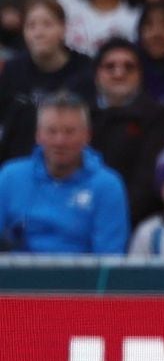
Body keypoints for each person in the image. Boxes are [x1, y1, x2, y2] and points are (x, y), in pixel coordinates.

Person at [0, 91, 129, 254]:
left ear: (87, 135)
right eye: (52, 131)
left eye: (69, 132)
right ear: (38, 135)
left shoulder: (107, 186)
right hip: (16, 276)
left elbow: (109, 262)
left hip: (82, 278)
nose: (60, 141)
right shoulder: (10, 177)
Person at [91, 38, 164, 224]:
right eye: (110, 66)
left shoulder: (160, 118)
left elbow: (148, 182)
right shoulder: (81, 116)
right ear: (96, 74)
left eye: (128, 67)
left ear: (140, 74)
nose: (119, 73)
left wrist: (115, 218)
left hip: (139, 222)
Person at [0, 0, 95, 161]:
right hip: (18, 161)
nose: (39, 32)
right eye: (31, 26)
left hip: (72, 159)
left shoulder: (86, 69)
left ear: (63, 28)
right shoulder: (12, 70)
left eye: (47, 24)